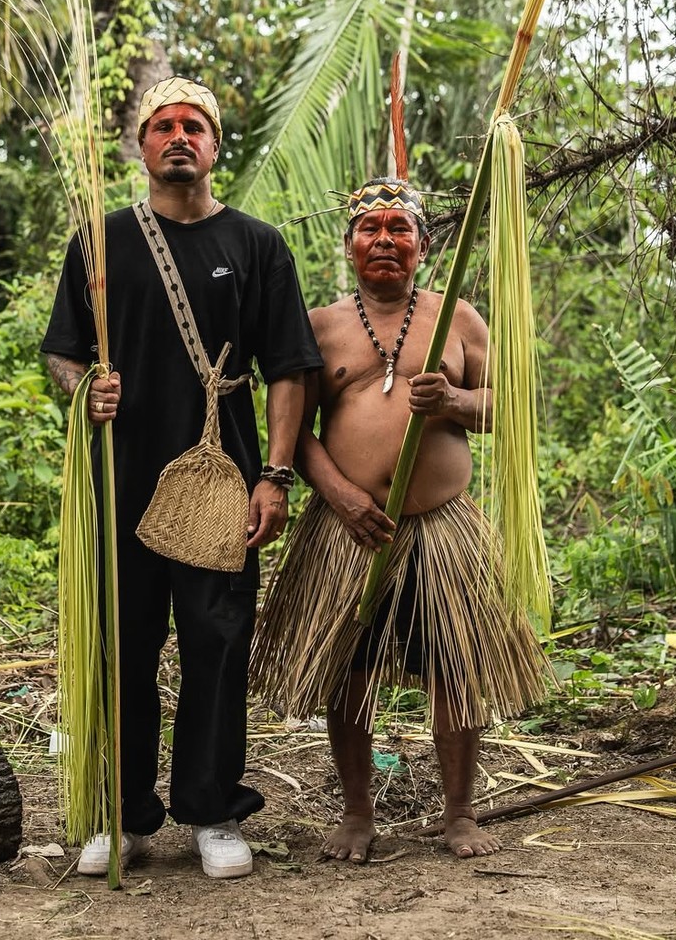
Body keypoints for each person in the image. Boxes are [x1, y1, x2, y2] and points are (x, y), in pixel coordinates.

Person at [42, 76, 322, 880]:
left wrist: (274, 475)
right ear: (141, 146)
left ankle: (210, 809)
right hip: (121, 482)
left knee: (217, 643)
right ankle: (123, 814)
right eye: (162, 125)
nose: (178, 137)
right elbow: (62, 352)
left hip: (221, 481)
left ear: (214, 145)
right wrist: (83, 390)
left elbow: (290, 368)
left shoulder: (258, 245)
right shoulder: (101, 242)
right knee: (122, 647)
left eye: (193, 126)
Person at [251, 178, 548, 862]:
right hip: (349, 530)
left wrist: (455, 402)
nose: (384, 239)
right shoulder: (321, 326)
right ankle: (358, 813)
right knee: (348, 670)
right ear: (349, 244)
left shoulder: (458, 319)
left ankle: (460, 813)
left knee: (455, 669)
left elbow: (508, 406)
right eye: (370, 228)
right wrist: (338, 494)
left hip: (443, 528)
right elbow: (293, 427)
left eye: (399, 228)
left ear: (424, 244)